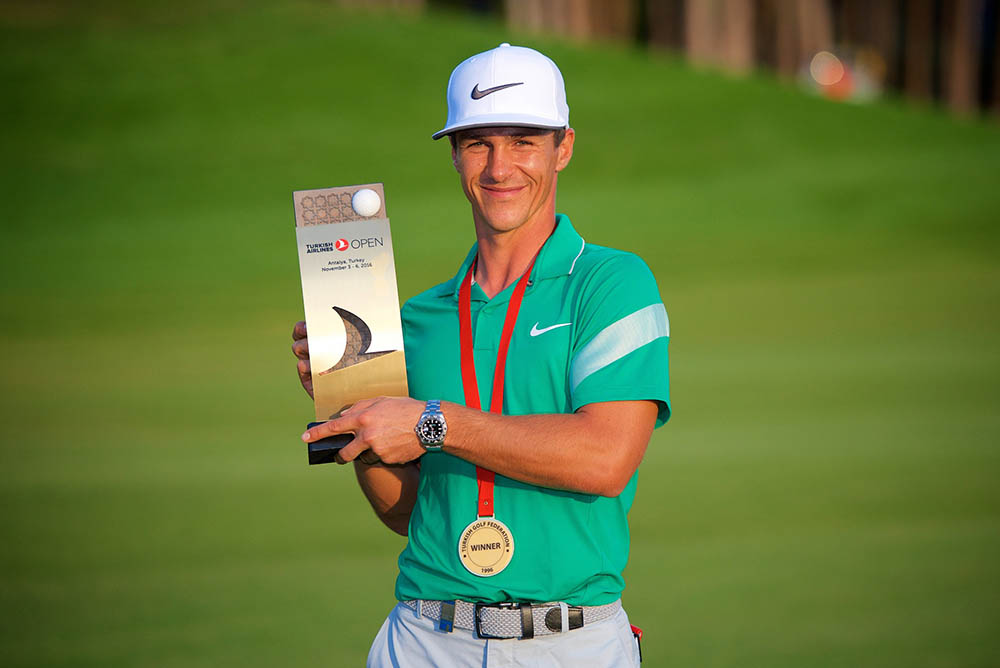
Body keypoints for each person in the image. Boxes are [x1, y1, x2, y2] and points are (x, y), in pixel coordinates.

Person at [292, 43, 670, 667]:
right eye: (477, 143)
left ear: (563, 147)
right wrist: (357, 417)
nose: (500, 167)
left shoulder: (613, 284)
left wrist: (431, 421)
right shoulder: (415, 321)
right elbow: (411, 511)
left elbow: (606, 458)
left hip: (570, 644)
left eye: (524, 140)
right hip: (422, 637)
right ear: (454, 155)